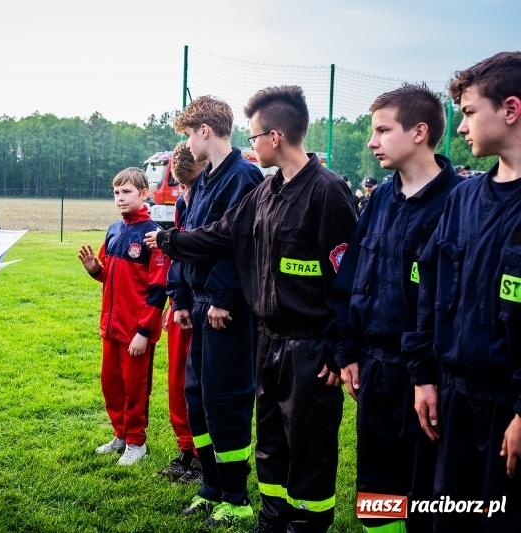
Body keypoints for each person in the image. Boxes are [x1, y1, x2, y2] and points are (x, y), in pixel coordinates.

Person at [149, 85, 356, 532]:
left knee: (308, 446)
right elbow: (221, 234)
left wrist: (337, 349)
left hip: (309, 347)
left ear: (275, 137)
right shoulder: (267, 192)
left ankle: (306, 524)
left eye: (255, 135)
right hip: (269, 339)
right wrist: (169, 240)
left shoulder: (328, 193)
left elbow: (348, 281)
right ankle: (272, 518)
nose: (250, 143)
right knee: (272, 443)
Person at [327, 84, 464, 533]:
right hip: (373, 368)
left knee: (426, 492)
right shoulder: (380, 199)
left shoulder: (458, 204)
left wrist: (428, 373)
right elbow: (349, 278)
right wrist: (346, 350)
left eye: (383, 130)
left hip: (429, 376)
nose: (372, 141)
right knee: (377, 488)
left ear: (420, 131)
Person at [403, 51, 521, 532]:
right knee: (448, 516)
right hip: (452, 398)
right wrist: (424, 375)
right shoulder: (464, 198)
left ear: (510, 109)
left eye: (470, 112)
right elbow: (431, 293)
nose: (461, 127)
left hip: (509, 413)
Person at [158, 95, 262, 529]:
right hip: (199, 306)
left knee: (227, 401)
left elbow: (241, 246)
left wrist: (223, 296)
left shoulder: (244, 176)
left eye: (187, 133)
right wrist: (181, 299)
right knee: (197, 398)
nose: (186, 144)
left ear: (205, 130)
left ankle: (236, 496)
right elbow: (191, 240)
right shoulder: (202, 181)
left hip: (226, 310)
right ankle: (211, 487)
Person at [78, 167, 169, 466]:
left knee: (135, 387)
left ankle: (136, 442)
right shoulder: (114, 230)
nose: (120, 198)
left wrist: (144, 331)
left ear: (144, 194)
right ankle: (120, 435)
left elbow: (158, 290)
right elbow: (109, 277)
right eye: (117, 192)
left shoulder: (152, 235)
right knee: (111, 383)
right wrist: (95, 269)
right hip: (111, 326)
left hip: (135, 331)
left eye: (127, 192)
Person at [154, 141, 206, 484]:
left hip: (207, 304)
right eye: (182, 186)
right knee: (177, 382)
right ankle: (185, 449)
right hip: (183, 304)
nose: (185, 192)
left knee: (199, 384)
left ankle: (204, 458)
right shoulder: (185, 203)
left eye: (191, 185)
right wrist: (175, 299)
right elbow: (176, 256)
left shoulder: (217, 197)